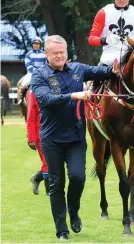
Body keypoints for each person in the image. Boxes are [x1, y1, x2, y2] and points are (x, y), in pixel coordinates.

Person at [31, 35, 119, 240]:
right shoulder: (39, 75)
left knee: (78, 177)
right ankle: (61, 229)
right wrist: (73, 96)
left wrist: (112, 70)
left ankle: (73, 212)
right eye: (55, 53)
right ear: (47, 54)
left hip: (76, 138)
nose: (60, 55)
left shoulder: (78, 69)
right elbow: (45, 100)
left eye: (62, 52)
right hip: (51, 139)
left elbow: (102, 72)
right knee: (56, 184)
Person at [27, 89, 49, 196]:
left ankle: (36, 178)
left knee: (55, 162)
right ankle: (49, 192)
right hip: (40, 133)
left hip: (56, 132)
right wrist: (31, 138)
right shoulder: (34, 91)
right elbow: (31, 115)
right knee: (47, 162)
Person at [18, 36, 46, 104]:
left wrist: (43, 70)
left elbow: (46, 63)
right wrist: (36, 71)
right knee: (25, 83)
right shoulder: (28, 54)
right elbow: (28, 65)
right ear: (32, 44)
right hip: (32, 73)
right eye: (34, 44)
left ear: (40, 45)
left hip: (43, 72)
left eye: (37, 44)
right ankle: (21, 98)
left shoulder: (44, 54)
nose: (36, 45)